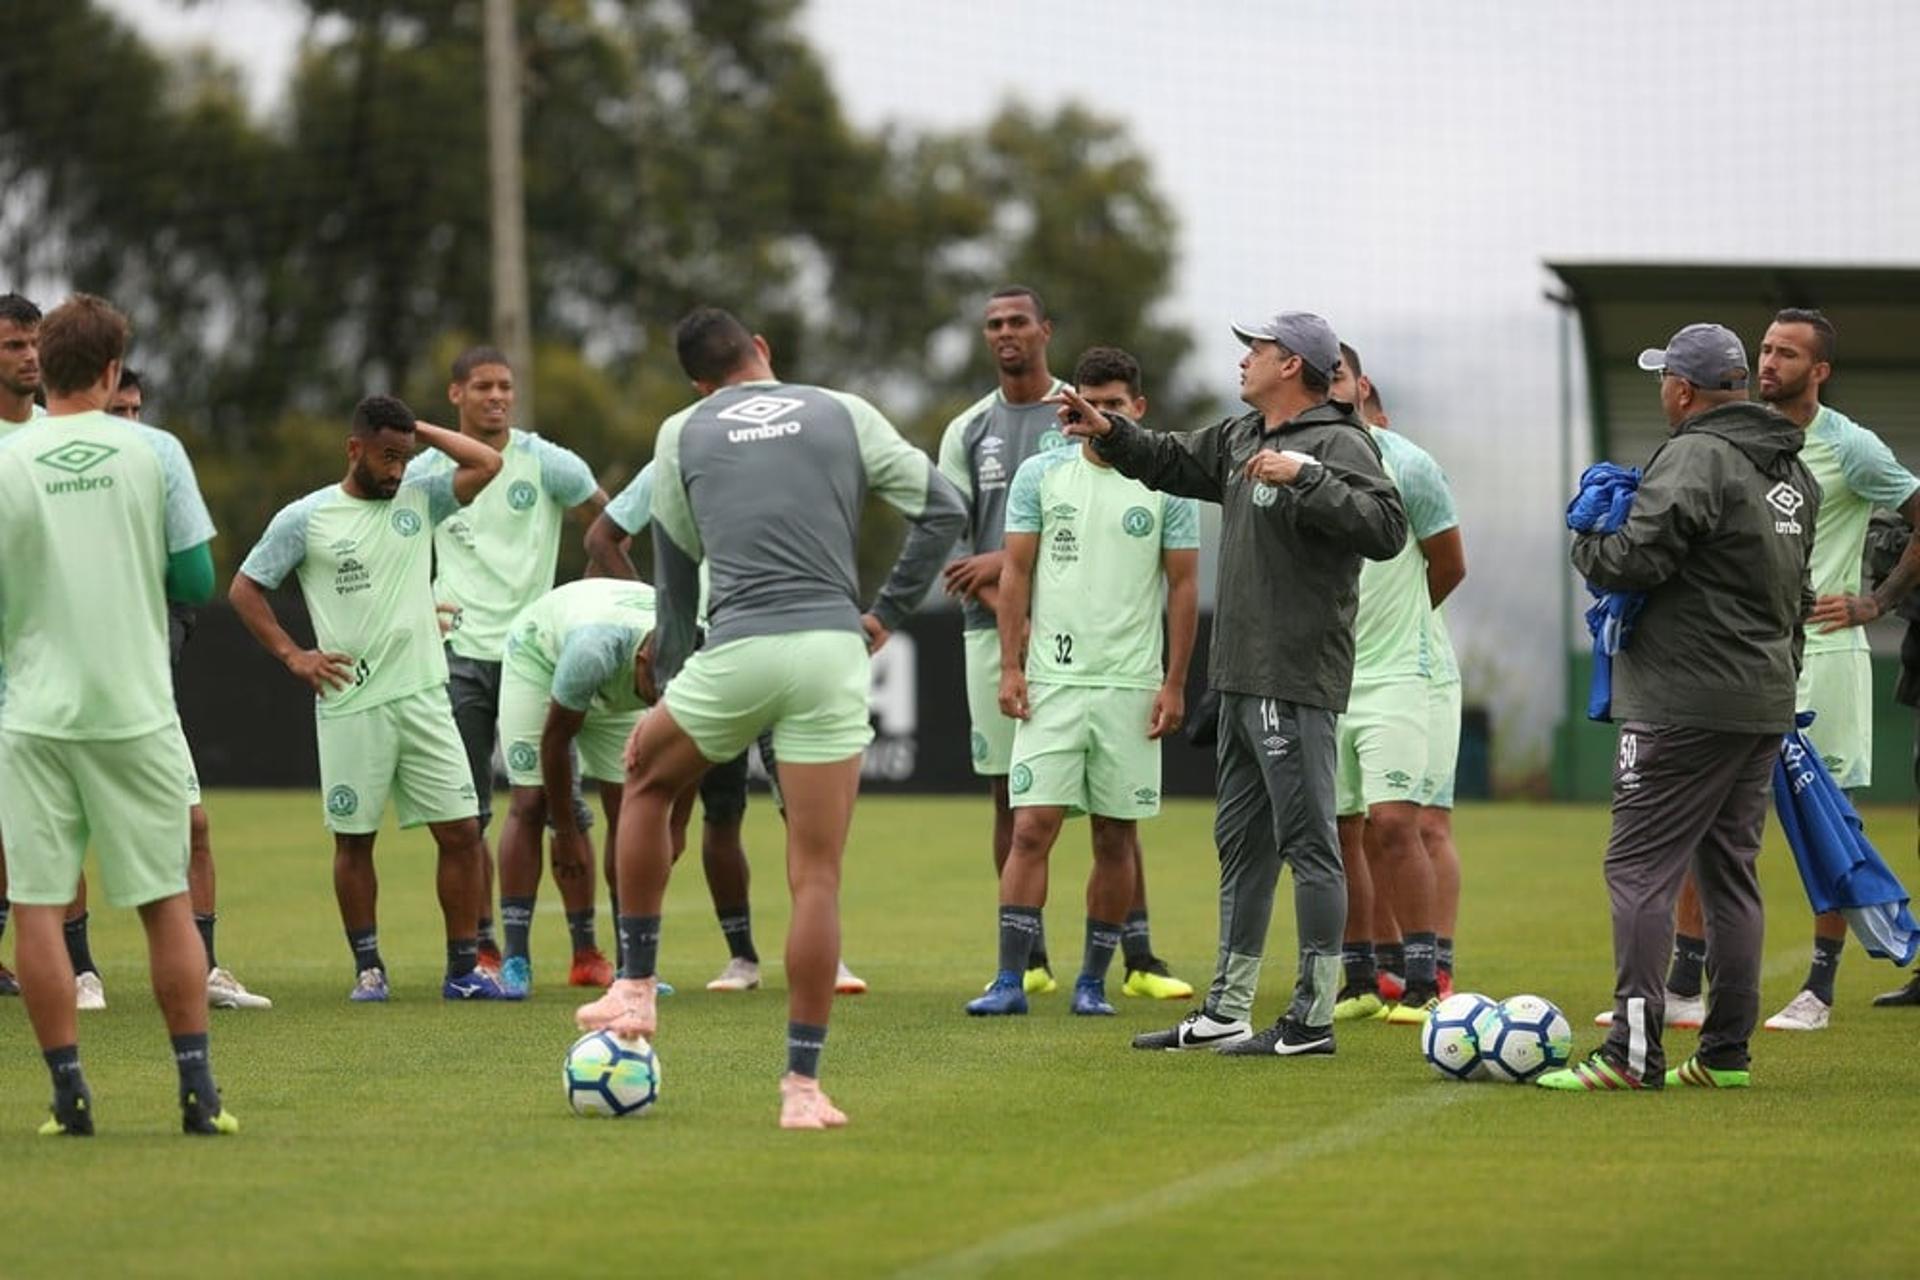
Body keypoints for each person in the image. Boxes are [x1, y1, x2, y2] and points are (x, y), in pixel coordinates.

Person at [575, 307, 963, 1129]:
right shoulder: (843, 410)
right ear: (764, 353)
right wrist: (886, 613)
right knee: (815, 876)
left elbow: (678, 581)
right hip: (830, 648)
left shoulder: (681, 432)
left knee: (642, 778)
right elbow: (944, 508)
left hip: (739, 649)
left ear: (697, 382)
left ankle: (636, 988)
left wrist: (674, 679)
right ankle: (803, 1090)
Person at [1059, 310, 1407, 1058]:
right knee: (1242, 848)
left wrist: (1308, 478)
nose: (1244, 357)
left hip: (1296, 677)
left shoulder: (1340, 440)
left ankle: (1311, 1018)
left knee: (1310, 845)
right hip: (1239, 680)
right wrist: (1106, 430)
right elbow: (1166, 459)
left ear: (1293, 366)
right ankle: (1226, 1009)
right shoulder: (1240, 436)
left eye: (1259, 348)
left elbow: (1386, 528)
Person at [1543, 322, 1815, 1092]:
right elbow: (1797, 598)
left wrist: (1589, 542)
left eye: (1665, 378)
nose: (1661, 388)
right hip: (1761, 697)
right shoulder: (1792, 471)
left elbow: (1636, 559)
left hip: (1682, 701)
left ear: (1686, 390)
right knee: (1731, 875)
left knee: (1638, 869)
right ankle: (1726, 1055)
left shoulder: (1696, 453)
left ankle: (1631, 1054)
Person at [0, 292, 237, 1134]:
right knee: (164, 900)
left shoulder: (7, 459)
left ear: (43, 367)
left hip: (33, 710)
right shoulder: (153, 452)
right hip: (135, 706)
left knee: (36, 904)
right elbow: (198, 584)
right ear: (110, 373)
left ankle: (69, 1096)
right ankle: (197, 1094)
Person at [229, 395, 513, 1002]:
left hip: (424, 695)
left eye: (404, 458)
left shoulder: (419, 497)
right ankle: (369, 968)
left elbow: (488, 462)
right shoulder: (306, 519)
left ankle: (463, 971)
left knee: (462, 832)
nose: (396, 470)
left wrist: (420, 432)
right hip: (351, 703)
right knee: (355, 840)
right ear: (353, 449)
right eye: (385, 457)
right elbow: (246, 588)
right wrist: (294, 655)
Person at [965, 346, 1200, 1017]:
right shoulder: (1041, 475)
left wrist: (1175, 682)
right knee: (1031, 826)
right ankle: (1011, 980)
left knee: (1114, 836)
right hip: (1054, 683)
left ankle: (1093, 983)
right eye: (1085, 404)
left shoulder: (1166, 483)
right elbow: (1013, 574)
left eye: (1113, 406)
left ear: (1138, 409)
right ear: (1070, 407)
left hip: (1130, 687)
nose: (1096, 416)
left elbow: (1183, 586)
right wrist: (1011, 665)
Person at [585, 463, 869, 995]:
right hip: (708, 656)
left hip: (788, 642)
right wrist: (659, 618)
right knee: (713, 812)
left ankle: (825, 956)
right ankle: (736, 959)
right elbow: (603, 536)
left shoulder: (796, 450)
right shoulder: (678, 454)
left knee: (805, 814)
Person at [408, 347, 608, 981]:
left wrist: (585, 602)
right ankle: (486, 947)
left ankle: (584, 951)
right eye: (484, 387)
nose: (497, 397)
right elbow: (391, 547)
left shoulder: (545, 460)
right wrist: (416, 607)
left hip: (535, 657)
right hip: (458, 655)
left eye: (506, 387)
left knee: (561, 806)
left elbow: (605, 523)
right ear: (456, 395)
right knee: (468, 817)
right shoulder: (426, 472)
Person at [101, 369, 272, 1011]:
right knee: (57, 845)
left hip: (145, 695)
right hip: (62, 693)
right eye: (117, 409)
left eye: (137, 409)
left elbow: (190, 587)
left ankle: (202, 969)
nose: (130, 423)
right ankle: (82, 971)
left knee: (193, 826)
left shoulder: (157, 471)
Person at [938, 286, 1075, 993]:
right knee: (1007, 793)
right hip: (989, 633)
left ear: (1044, 329)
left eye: (1018, 320)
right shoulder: (966, 430)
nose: (1004, 333)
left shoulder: (1081, 412)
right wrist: (1005, 595)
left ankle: (1135, 957)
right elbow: (957, 558)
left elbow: (1092, 525)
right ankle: (1031, 958)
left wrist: (1003, 558)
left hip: (1083, 634)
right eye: (992, 325)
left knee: (1111, 811)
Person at [1325, 346, 1465, 1026]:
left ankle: (1426, 975)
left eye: (1337, 376)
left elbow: (1449, 565)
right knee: (1343, 828)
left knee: (1403, 823)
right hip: (1330, 678)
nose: (1329, 390)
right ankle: (1359, 977)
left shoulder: (1407, 463)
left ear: (1361, 384)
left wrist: (1398, 626)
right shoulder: (1296, 465)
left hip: (1406, 674)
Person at [493, 578, 660, 996]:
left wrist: (673, 827)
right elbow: (555, 741)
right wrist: (565, 832)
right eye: (654, 688)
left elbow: (697, 743)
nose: (658, 698)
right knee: (530, 802)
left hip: (615, 678)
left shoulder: (695, 646)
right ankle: (515, 959)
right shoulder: (591, 653)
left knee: (631, 813)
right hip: (542, 658)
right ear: (643, 658)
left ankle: (633, 968)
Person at [0, 291, 45, 999]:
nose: (31, 356)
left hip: (39, 651)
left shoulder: (56, 437)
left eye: (35, 343)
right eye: (13, 346)